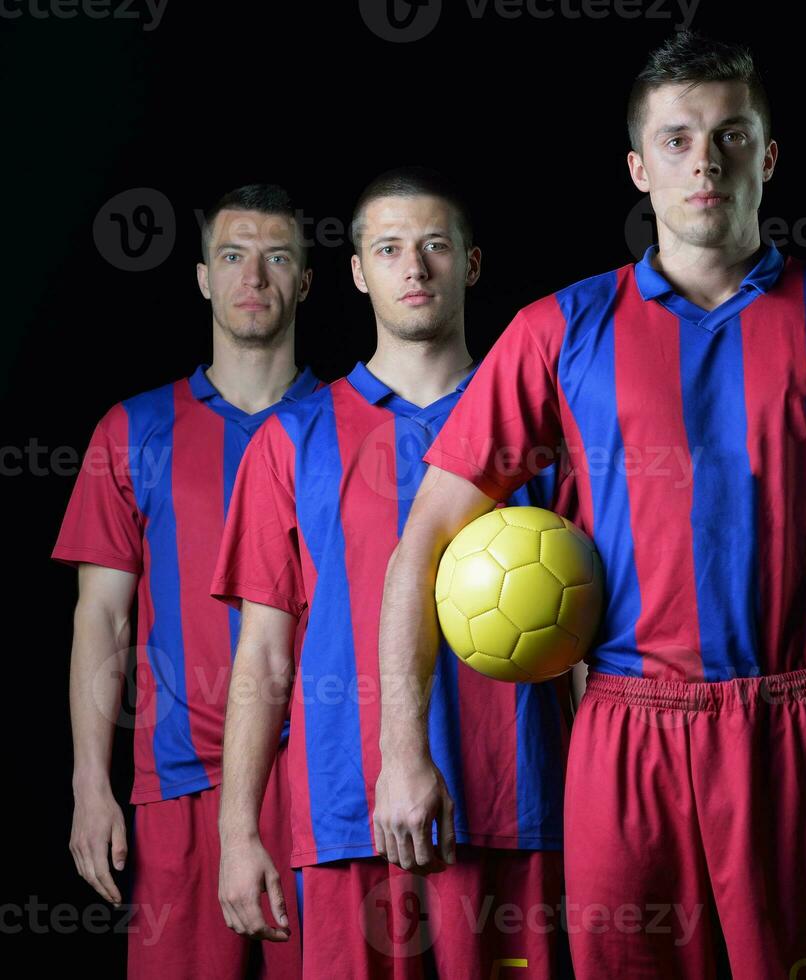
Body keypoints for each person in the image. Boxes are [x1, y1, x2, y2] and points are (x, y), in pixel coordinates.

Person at [376, 32, 806, 979]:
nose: (705, 160)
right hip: (626, 733)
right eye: (676, 139)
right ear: (638, 166)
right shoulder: (557, 330)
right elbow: (424, 542)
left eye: (731, 136)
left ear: (768, 157)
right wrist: (401, 753)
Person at [211, 168, 568, 979]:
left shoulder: (543, 428)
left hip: (516, 807)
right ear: (356, 271)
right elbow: (263, 656)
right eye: (389, 249)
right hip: (348, 817)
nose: (415, 268)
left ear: (471, 264)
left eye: (435, 246)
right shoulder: (290, 440)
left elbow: (589, 636)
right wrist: (239, 835)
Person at [54, 183, 318, 978]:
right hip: (177, 782)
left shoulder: (348, 427)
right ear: (203, 277)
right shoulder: (131, 429)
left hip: (317, 777)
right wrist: (90, 784)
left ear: (305, 281)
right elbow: (102, 621)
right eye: (232, 257)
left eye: (278, 259)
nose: (254, 279)